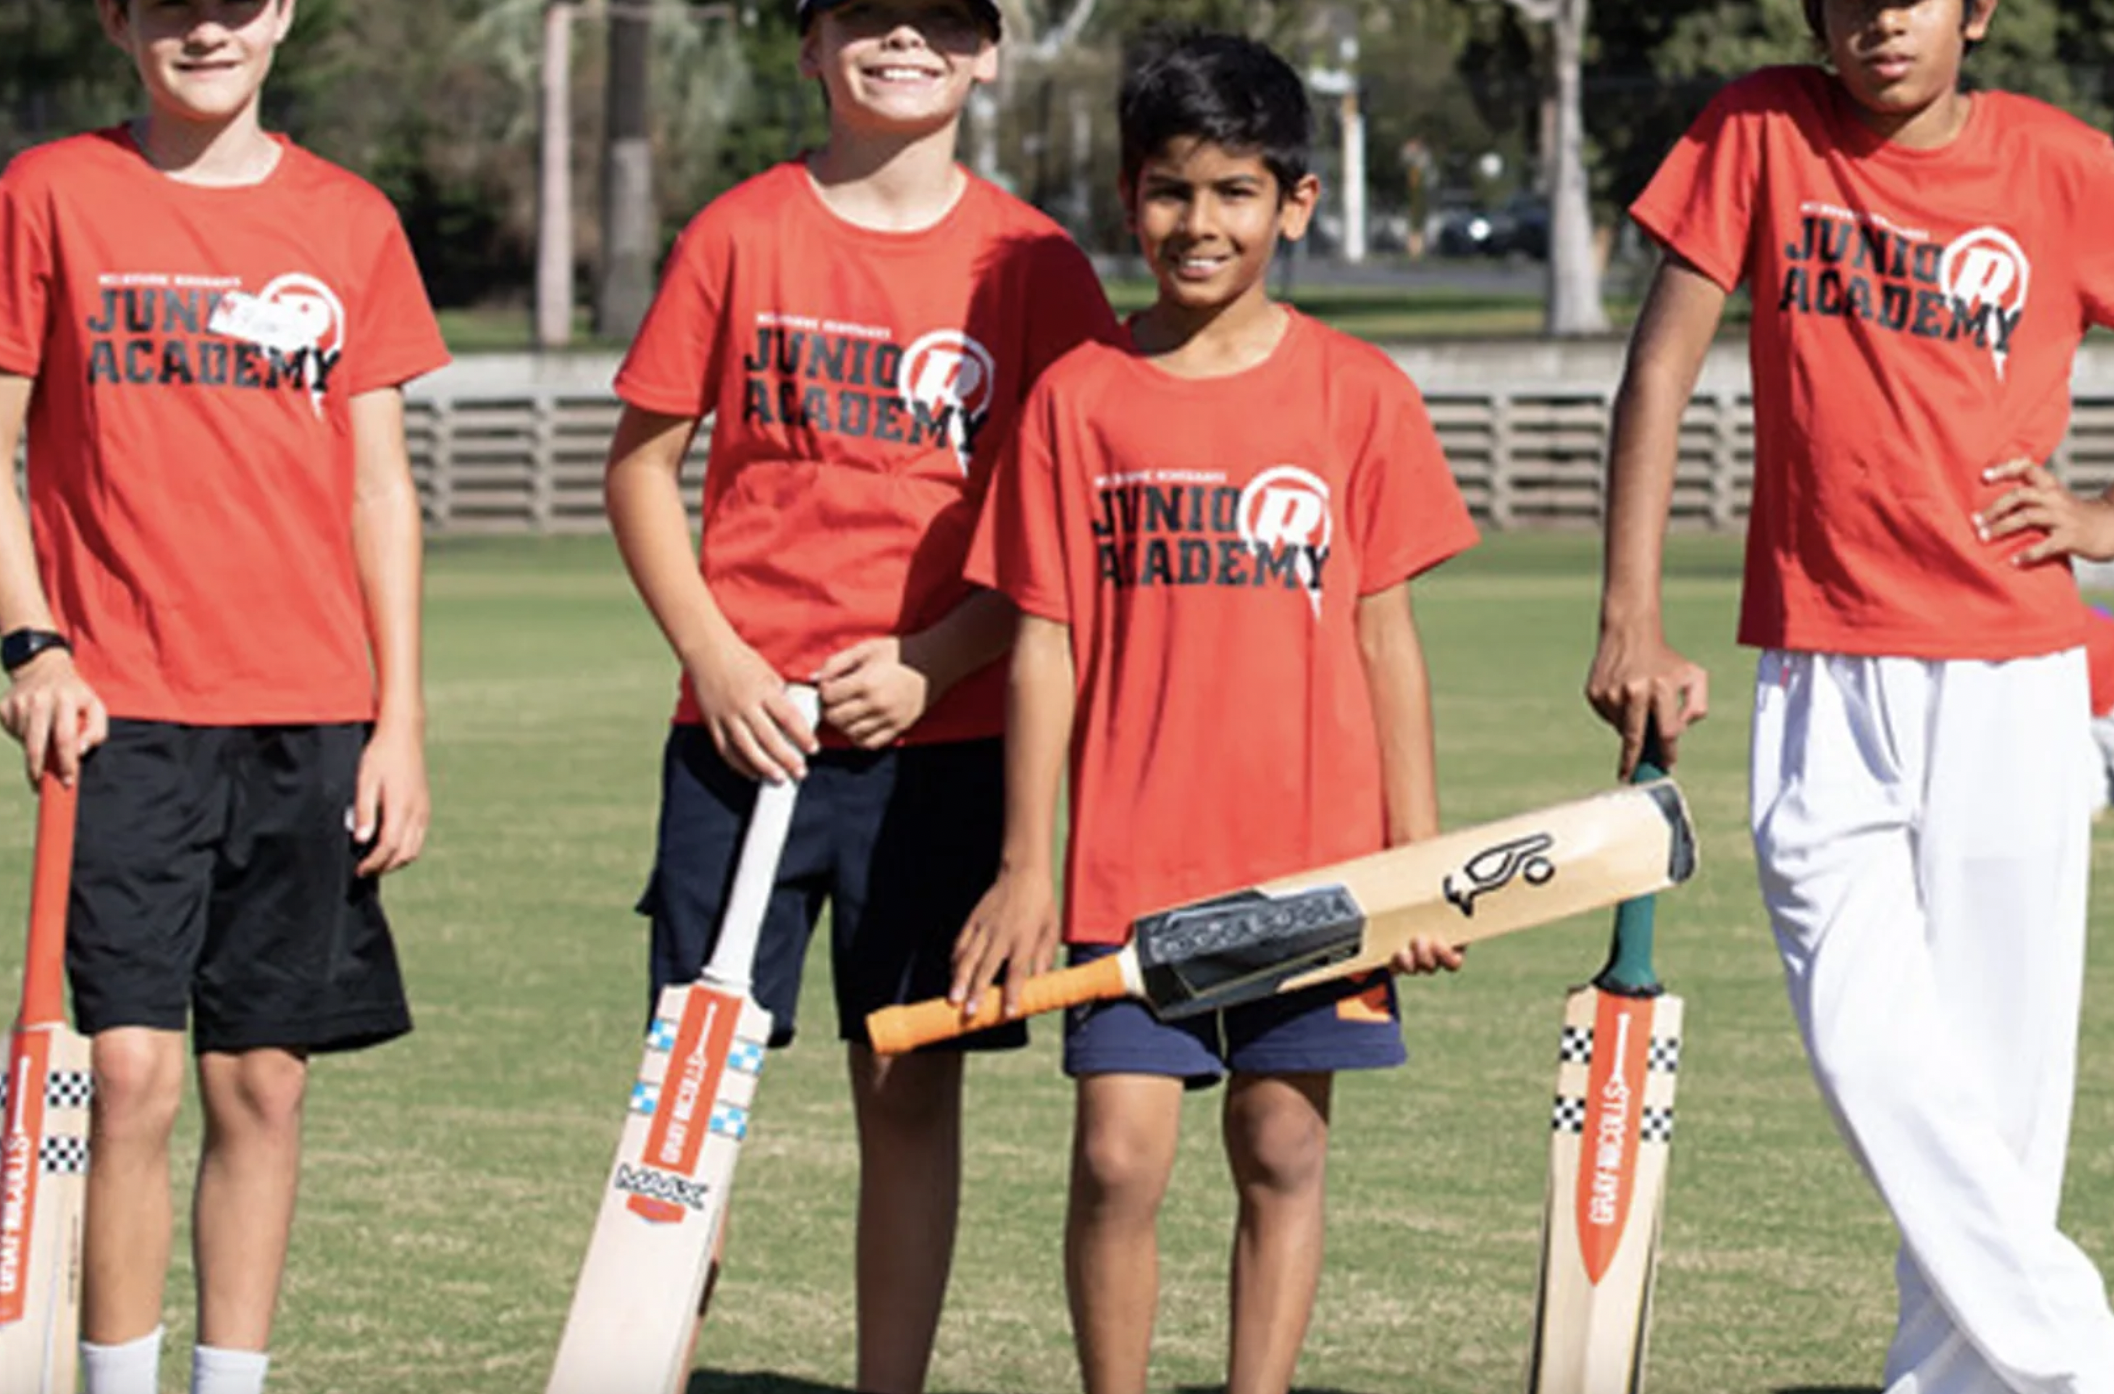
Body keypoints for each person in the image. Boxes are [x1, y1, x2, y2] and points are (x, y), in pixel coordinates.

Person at [1587, 2, 2114, 1389]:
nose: (1880, 16)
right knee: (1864, 1038)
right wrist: (1629, 613)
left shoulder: (2065, 166)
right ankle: (2077, 1357)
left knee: (1999, 1096)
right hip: (1819, 663)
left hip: (2012, 673)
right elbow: (1657, 363)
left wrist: (2103, 519)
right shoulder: (1757, 125)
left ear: (1976, 10)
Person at [601, 0, 1116, 1388]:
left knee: (905, 1087)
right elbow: (639, 465)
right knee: (695, 1092)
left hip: (936, 747)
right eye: (867, 16)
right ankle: (647, 1362)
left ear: (991, 51)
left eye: (942, 20)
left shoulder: (1034, 266)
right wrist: (716, 659)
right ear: (813, 47)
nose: (905, 41)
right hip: (738, 744)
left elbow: (1067, 532)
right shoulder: (740, 231)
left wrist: (932, 661)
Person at [950, 31, 1473, 1394]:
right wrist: (1025, 864)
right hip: (1130, 867)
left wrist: (1414, 858)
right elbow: (1042, 646)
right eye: (1172, 191)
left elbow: (1383, 633)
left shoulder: (1358, 394)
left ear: (1293, 203)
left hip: (1315, 864)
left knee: (1281, 1145)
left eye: (1235, 191)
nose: (1200, 223)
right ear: (1130, 199)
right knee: (1117, 1154)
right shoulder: (1077, 400)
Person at [0, 2, 448, 1392]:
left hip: (308, 714)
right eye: (168, 2)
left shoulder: (350, 218)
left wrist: (401, 719)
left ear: (282, 15)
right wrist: (31, 643)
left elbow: (380, 486)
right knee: (128, 1071)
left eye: (234, 0)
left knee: (262, 1081)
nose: (205, 26)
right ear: (117, 20)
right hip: (121, 708)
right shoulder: (49, 193)